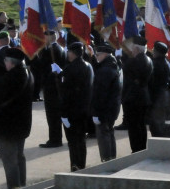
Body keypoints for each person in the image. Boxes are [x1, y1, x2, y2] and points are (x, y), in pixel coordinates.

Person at [0, 48, 33, 189]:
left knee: (10, 160)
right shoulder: (27, 73)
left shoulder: (10, 78)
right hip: (21, 124)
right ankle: (22, 186)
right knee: (19, 157)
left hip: (7, 125)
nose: (4, 63)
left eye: (5, 61)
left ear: (11, 63)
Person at [60, 41, 94, 170]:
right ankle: (81, 165)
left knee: (73, 142)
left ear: (73, 53)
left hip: (72, 112)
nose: (68, 54)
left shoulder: (70, 69)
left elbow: (66, 93)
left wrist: (63, 114)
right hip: (84, 110)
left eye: (69, 52)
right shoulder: (88, 66)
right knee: (81, 140)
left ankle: (75, 165)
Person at [35, 29, 67, 148]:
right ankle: (54, 138)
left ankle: (55, 139)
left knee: (53, 114)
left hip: (53, 87)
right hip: (52, 86)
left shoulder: (55, 50)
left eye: (46, 36)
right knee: (52, 115)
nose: (44, 39)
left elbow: (44, 67)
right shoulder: (51, 49)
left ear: (51, 37)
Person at [120, 37, 152, 153]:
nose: (131, 50)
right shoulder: (148, 59)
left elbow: (125, 68)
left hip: (133, 99)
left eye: (133, 48)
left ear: (137, 49)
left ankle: (136, 150)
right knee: (141, 125)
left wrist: (123, 56)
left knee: (134, 127)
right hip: (143, 97)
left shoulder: (134, 61)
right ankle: (142, 148)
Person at [91, 43, 122, 162]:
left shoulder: (105, 71)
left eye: (98, 55)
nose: (97, 57)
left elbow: (100, 94)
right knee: (109, 133)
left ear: (105, 55)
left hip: (104, 110)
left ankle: (106, 160)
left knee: (103, 135)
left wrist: (96, 112)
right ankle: (112, 159)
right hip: (112, 108)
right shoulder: (112, 65)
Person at [147, 40, 170, 137]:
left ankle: (159, 144)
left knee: (155, 125)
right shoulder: (166, 62)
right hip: (163, 95)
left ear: (157, 52)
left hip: (156, 96)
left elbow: (151, 81)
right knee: (160, 122)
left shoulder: (155, 64)